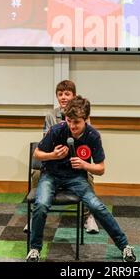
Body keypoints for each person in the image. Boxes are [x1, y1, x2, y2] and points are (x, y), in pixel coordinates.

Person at [26, 95, 136, 263]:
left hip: (76, 178)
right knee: (41, 205)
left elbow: (100, 169)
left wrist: (85, 165)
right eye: (69, 121)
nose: (72, 126)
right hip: (51, 175)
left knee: (97, 206)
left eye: (76, 122)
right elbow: (37, 154)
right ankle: (35, 249)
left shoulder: (93, 135)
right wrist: (52, 155)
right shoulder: (57, 130)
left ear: (86, 119)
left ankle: (125, 246)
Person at [25, 79, 99, 234]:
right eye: (60, 94)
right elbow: (46, 141)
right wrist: (54, 153)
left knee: (88, 176)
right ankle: (35, 216)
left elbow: (86, 140)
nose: (64, 97)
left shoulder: (83, 115)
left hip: (74, 160)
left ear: (74, 96)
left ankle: (88, 216)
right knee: (37, 174)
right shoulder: (51, 115)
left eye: (67, 94)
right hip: (55, 158)